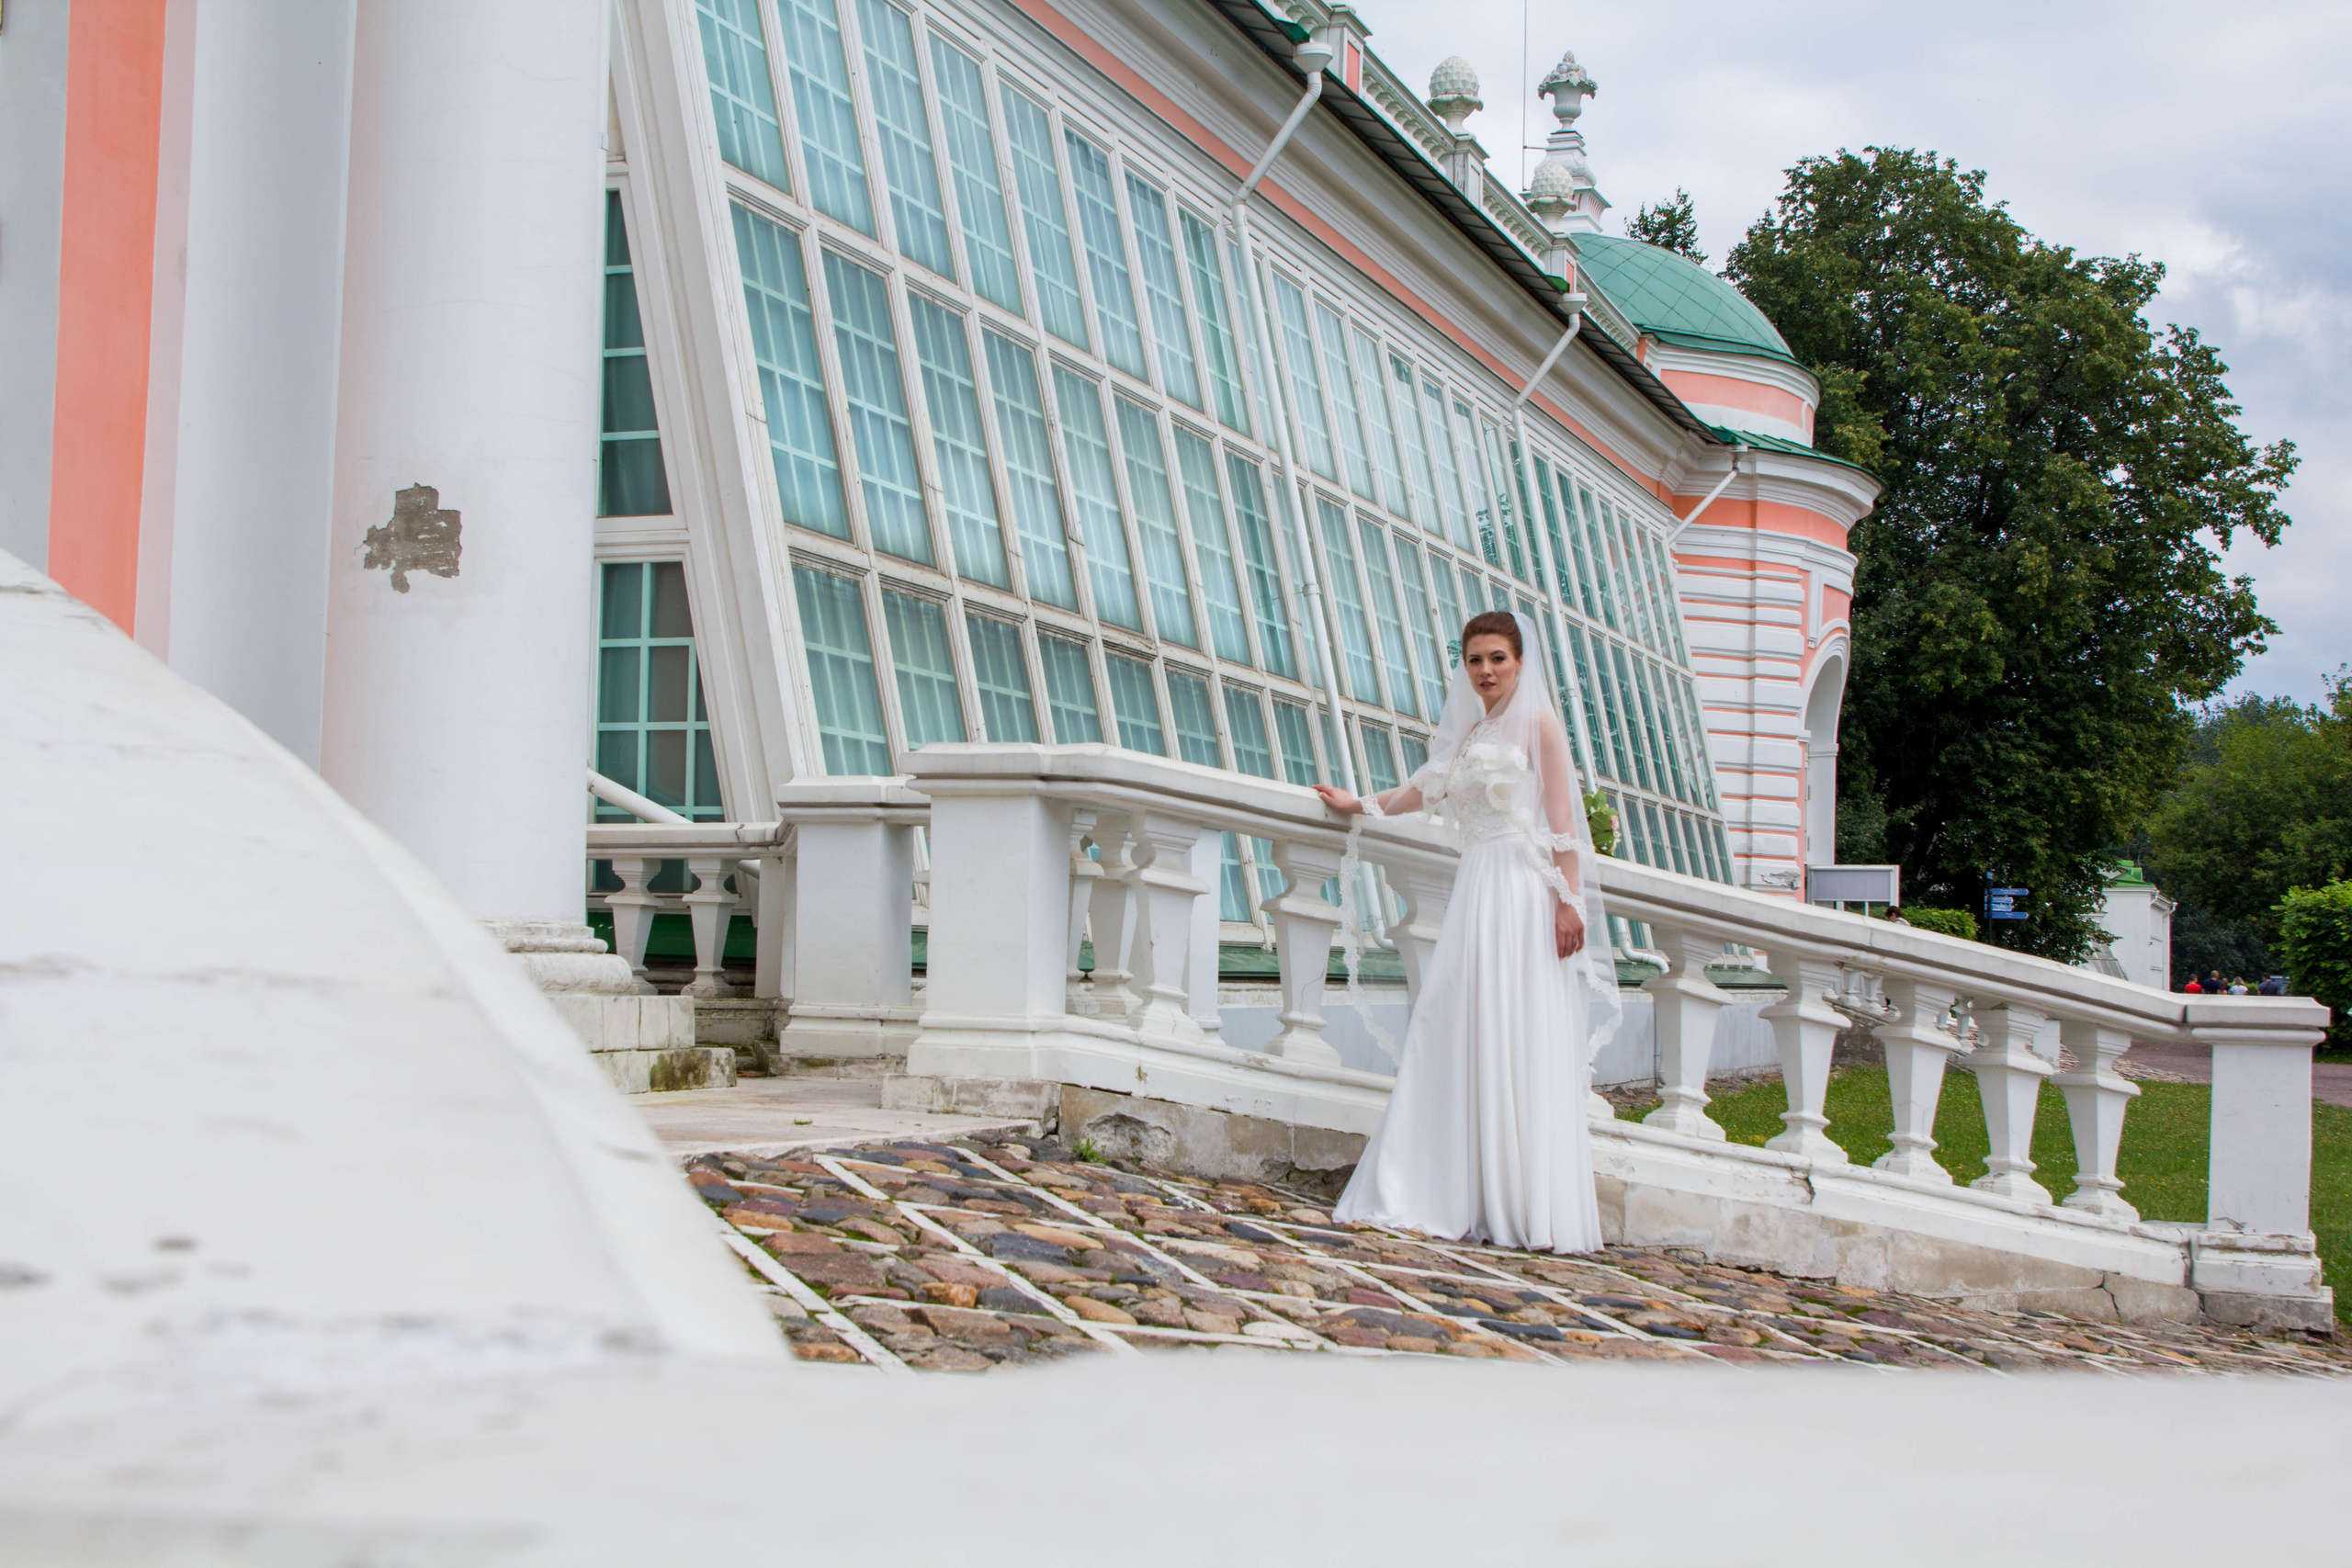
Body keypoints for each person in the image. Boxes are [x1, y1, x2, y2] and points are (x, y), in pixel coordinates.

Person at [1310, 610, 1614, 1254]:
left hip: (1520, 892)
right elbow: (1425, 790)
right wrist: (1359, 804)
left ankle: (1520, 1198)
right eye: (1475, 659)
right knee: (1453, 1022)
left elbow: (1563, 823)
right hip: (1476, 889)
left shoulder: (1539, 724)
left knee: (1511, 1027)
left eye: (1498, 658)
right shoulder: (1476, 732)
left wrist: (1569, 904)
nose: (1486, 670)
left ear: (1520, 662)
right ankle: (1445, 1184)